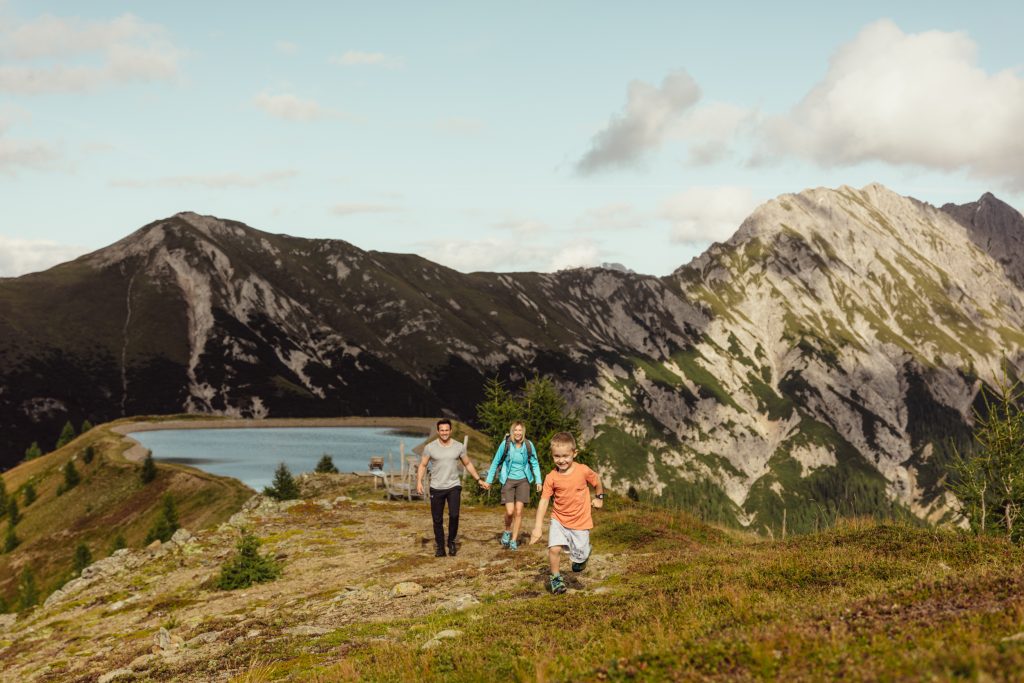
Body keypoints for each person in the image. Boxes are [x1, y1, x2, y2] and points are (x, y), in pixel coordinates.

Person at [529, 431, 603, 594]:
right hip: (559, 519)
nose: (561, 460)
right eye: (557, 456)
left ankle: (582, 556)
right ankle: (556, 579)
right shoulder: (551, 477)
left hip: (580, 521)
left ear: (574, 453)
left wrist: (599, 498)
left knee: (579, 559)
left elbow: (597, 481)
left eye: (565, 456)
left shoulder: (583, 470)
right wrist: (537, 527)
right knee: (554, 549)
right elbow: (544, 501)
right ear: (552, 455)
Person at [416, 418, 485, 557]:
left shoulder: (459, 447)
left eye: (447, 430)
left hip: (454, 486)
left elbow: (468, 464)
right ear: (438, 431)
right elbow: (423, 465)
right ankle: (440, 547)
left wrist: (478, 479)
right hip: (436, 487)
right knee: (437, 520)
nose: (444, 433)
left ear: (451, 431)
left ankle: (451, 541)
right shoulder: (430, 447)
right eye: (442, 430)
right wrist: (419, 481)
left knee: (454, 515)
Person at [481, 420, 542, 551]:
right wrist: (489, 480)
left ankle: (514, 540)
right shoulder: (506, 444)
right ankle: (507, 531)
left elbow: (535, 463)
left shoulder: (528, 445)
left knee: (519, 512)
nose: (518, 433)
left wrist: (538, 480)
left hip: (523, 481)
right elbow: (495, 462)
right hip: (508, 480)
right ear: (512, 431)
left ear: (523, 431)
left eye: (520, 430)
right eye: (516, 430)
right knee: (510, 512)